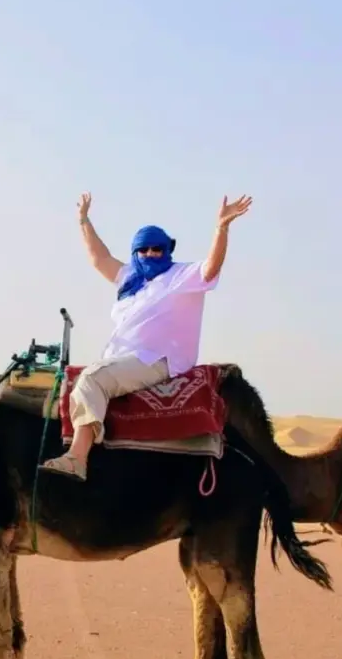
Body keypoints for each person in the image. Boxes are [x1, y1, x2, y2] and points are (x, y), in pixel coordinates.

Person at [39, 191, 253, 481]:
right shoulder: (129, 278)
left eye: (158, 249)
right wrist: (84, 220)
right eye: (145, 250)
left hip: (157, 360)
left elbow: (211, 267)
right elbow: (98, 257)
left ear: (167, 251)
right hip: (122, 358)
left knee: (91, 379)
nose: (151, 254)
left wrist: (222, 228)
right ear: (136, 253)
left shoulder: (180, 276)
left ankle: (77, 457)